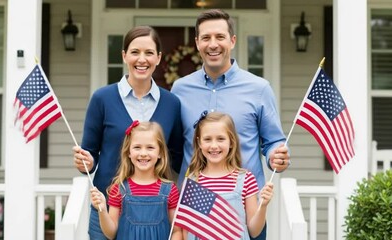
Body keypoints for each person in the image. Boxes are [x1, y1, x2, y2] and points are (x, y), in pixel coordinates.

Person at [170, 9, 290, 239]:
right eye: (205, 38)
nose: (213, 44)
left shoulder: (259, 88)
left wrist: (277, 154)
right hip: (195, 208)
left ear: (232, 40)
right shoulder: (180, 89)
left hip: (244, 207)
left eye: (220, 37)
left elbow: (274, 140)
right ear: (197, 43)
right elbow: (174, 146)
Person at [73, 26, 183, 239]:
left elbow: (177, 157)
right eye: (135, 52)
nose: (142, 59)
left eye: (149, 53)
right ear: (124, 56)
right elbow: (90, 155)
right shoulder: (102, 99)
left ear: (159, 58)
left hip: (155, 211)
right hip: (107, 207)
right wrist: (85, 162)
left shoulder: (172, 104)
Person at [183, 111, 273, 239]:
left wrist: (263, 206)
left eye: (220, 139)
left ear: (231, 142)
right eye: (208, 139)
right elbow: (188, 231)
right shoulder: (193, 180)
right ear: (199, 143)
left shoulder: (246, 179)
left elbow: (254, 231)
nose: (214, 145)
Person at [90, 121, 182, 240]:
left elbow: (176, 231)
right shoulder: (119, 189)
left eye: (150, 147)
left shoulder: (170, 190)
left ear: (160, 153)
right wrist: (102, 210)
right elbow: (111, 233)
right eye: (137, 147)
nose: (143, 153)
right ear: (129, 152)